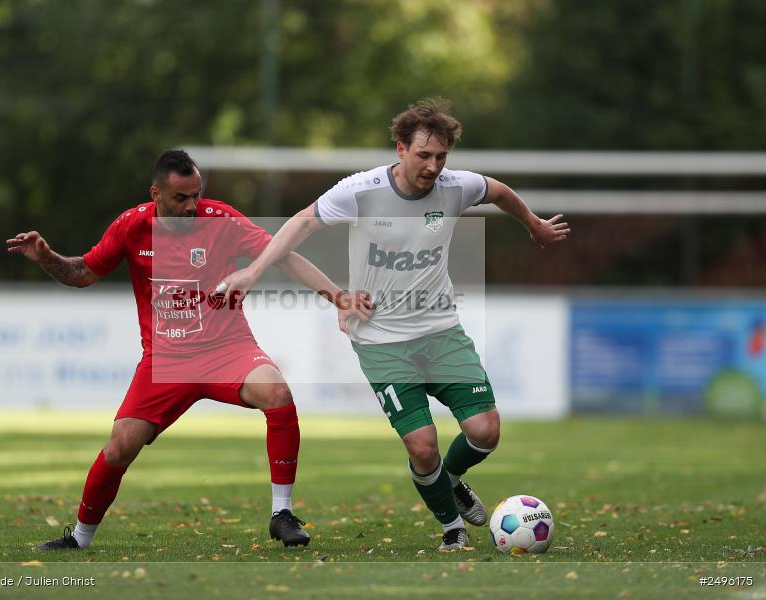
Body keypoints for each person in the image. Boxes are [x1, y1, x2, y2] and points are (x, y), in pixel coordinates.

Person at [219, 99, 570, 551]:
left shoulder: (456, 186)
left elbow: (498, 191)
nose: (433, 166)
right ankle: (452, 529)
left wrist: (533, 224)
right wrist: (253, 272)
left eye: (441, 156)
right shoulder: (360, 191)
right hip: (381, 340)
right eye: (423, 155)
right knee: (422, 446)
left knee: (486, 431)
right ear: (401, 149)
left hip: (441, 331)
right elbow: (301, 224)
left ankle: (451, 480)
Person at [7, 149, 370, 550]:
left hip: (227, 349)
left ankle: (281, 514)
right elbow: (83, 274)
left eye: (196, 195)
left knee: (278, 393)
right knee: (120, 447)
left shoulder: (221, 220)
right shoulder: (131, 226)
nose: (191, 205)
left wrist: (338, 297)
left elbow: (283, 256)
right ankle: (79, 538)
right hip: (166, 361)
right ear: (156, 195)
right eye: (181, 197)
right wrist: (46, 258)